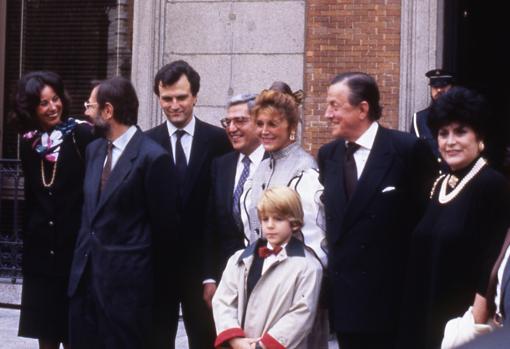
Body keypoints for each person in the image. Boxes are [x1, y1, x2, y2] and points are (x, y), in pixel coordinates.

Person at [317, 72, 435, 349]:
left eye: (335, 105)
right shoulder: (328, 156)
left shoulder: (407, 150)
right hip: (348, 307)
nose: (326, 114)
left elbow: (426, 225)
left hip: (395, 306)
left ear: (363, 108)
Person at [67, 77, 179, 349]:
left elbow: (165, 233)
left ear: (108, 111)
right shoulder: (94, 150)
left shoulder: (153, 157)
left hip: (127, 295)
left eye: (90, 106)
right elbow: (89, 216)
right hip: (85, 287)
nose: (86, 112)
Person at [398, 87, 510, 349]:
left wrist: (474, 325)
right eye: (443, 133)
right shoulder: (439, 184)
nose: (450, 141)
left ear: (479, 136)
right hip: (425, 312)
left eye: (461, 131)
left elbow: (492, 264)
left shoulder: (492, 185)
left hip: (459, 320)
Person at [146, 60, 232, 349]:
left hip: (203, 266)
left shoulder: (220, 142)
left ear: (195, 96)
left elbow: (222, 209)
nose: (174, 105)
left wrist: (216, 271)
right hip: (158, 267)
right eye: (166, 99)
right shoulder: (145, 144)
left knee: (207, 341)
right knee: (156, 340)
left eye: (181, 97)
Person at [11, 71, 95, 349]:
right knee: (45, 334)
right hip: (41, 255)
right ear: (31, 108)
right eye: (43, 103)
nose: (52, 107)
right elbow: (34, 198)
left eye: (55, 99)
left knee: (73, 333)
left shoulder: (81, 134)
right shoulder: (28, 142)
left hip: (73, 252)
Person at [212, 186, 323, 349]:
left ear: (293, 222)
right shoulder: (240, 260)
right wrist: (235, 339)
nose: (270, 225)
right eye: (265, 219)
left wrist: (263, 346)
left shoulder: (308, 267)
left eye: (278, 219)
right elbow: (223, 300)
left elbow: (301, 314)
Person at [241, 88, 327, 266]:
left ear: (291, 127)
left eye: (272, 124)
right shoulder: (261, 168)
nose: (264, 131)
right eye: (260, 124)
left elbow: (315, 243)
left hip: (294, 274)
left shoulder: (304, 169)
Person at [202, 93, 265, 309]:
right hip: (226, 279)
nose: (231, 128)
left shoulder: (277, 163)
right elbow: (210, 225)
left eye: (240, 121)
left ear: (260, 122)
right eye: (227, 122)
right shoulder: (221, 166)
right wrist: (209, 277)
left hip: (266, 278)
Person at [411, 68, 454, 170]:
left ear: (451, 87)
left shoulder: (461, 116)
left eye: (443, 86)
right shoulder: (419, 119)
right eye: (435, 87)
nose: (439, 90)